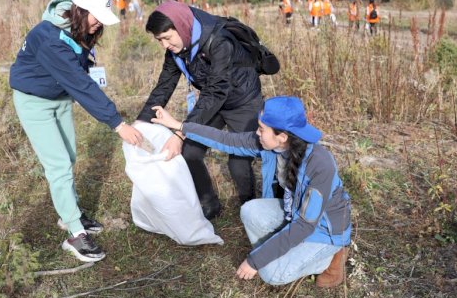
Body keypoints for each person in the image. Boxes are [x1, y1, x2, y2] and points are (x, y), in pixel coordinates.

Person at [150, 96, 351, 287]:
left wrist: (255, 261)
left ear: (282, 136)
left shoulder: (320, 165)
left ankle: (332, 257)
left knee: (272, 273)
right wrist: (180, 126)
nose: (256, 133)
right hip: (295, 214)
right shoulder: (271, 145)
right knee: (250, 211)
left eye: (262, 129)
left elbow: (304, 226)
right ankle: (282, 253)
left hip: (323, 230)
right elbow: (226, 140)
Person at [9, 0, 144, 263]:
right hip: (34, 102)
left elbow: (79, 74)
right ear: (80, 10)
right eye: (96, 18)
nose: (98, 26)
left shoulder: (77, 28)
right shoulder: (49, 39)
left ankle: (68, 211)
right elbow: (81, 84)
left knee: (68, 156)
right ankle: (74, 232)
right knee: (58, 165)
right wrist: (118, 124)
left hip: (59, 98)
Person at [136, 0, 263, 219]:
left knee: (238, 161)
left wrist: (181, 131)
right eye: (159, 40)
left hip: (243, 101)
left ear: (181, 26)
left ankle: (251, 209)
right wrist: (141, 122)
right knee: (190, 152)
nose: (165, 45)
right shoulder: (177, 49)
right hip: (212, 101)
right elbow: (164, 85)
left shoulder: (219, 42)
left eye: (167, 37)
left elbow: (216, 90)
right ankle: (209, 205)